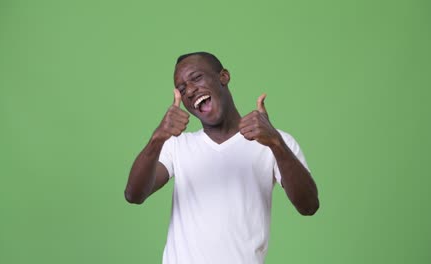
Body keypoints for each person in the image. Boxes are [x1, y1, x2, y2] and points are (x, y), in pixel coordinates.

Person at [125, 52, 319, 264]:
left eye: (196, 78)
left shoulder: (274, 141)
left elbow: (308, 206)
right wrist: (157, 138)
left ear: (223, 77)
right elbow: (134, 194)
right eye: (182, 89)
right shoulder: (176, 144)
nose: (189, 90)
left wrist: (276, 144)